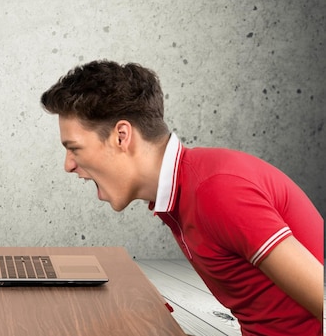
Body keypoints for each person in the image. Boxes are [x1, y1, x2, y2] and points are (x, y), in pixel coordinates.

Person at [40, 59, 323, 336]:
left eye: (74, 148)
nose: (68, 165)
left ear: (122, 137)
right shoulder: (183, 193)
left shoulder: (216, 191)